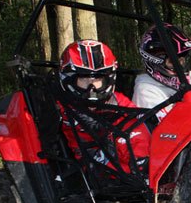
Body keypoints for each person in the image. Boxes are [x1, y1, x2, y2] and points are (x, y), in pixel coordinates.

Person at [57, 39, 149, 175]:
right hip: (85, 169)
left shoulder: (117, 102)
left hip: (121, 167)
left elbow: (137, 129)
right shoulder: (59, 106)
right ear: (69, 78)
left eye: (97, 79)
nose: (91, 87)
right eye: (83, 79)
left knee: (131, 129)